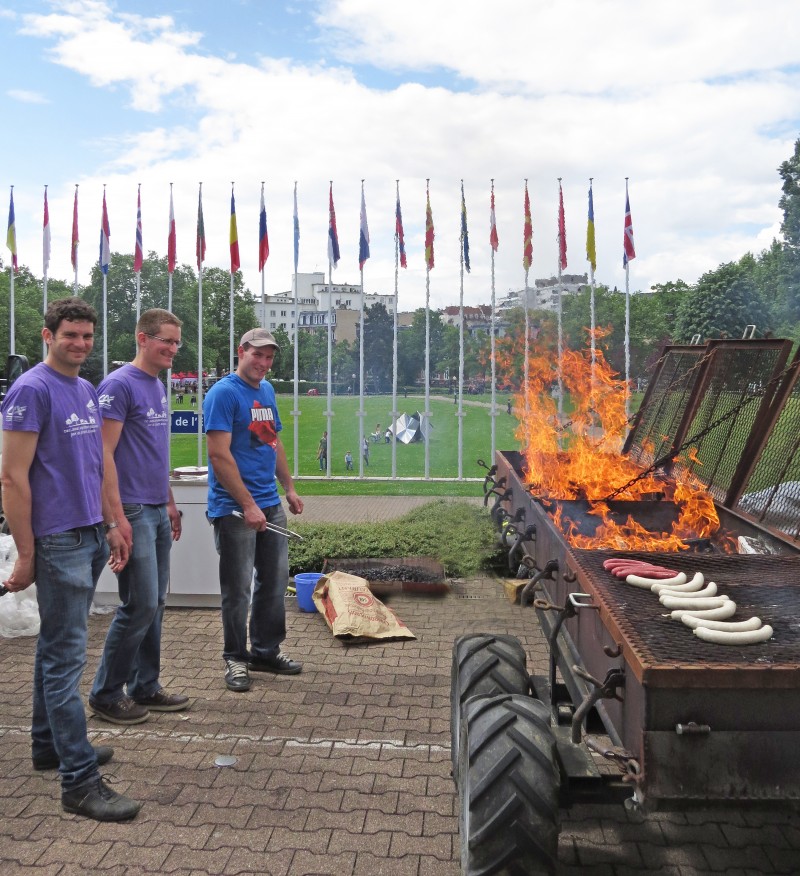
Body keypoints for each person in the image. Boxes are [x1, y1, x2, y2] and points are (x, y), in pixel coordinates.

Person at [0, 297, 141, 821]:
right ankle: (78, 780)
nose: (80, 344)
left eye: (87, 336)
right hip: (57, 540)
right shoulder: (31, 390)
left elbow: (96, 466)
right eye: (70, 335)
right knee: (65, 660)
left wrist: (113, 522)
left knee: (56, 647)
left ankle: (47, 745)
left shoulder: (84, 389)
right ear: (47, 335)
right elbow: (11, 478)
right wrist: (27, 555)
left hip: (88, 535)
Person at [89, 309, 189, 726]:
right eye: (166, 341)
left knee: (156, 602)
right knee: (140, 603)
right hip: (130, 507)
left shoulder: (156, 385)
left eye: (177, 343)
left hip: (154, 506)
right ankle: (106, 693)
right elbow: (103, 454)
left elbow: (153, 453)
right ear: (142, 339)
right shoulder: (118, 385)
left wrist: (167, 500)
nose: (173, 350)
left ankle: (145, 685)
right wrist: (115, 517)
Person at [204, 328, 304, 693]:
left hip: (268, 503)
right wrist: (246, 504)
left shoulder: (265, 391)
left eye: (268, 357)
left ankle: (265, 650)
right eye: (257, 355)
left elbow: (270, 439)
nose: (263, 363)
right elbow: (218, 455)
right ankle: (235, 657)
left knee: (275, 581)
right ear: (240, 351)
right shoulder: (223, 394)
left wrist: (288, 488)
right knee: (238, 588)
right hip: (234, 509)